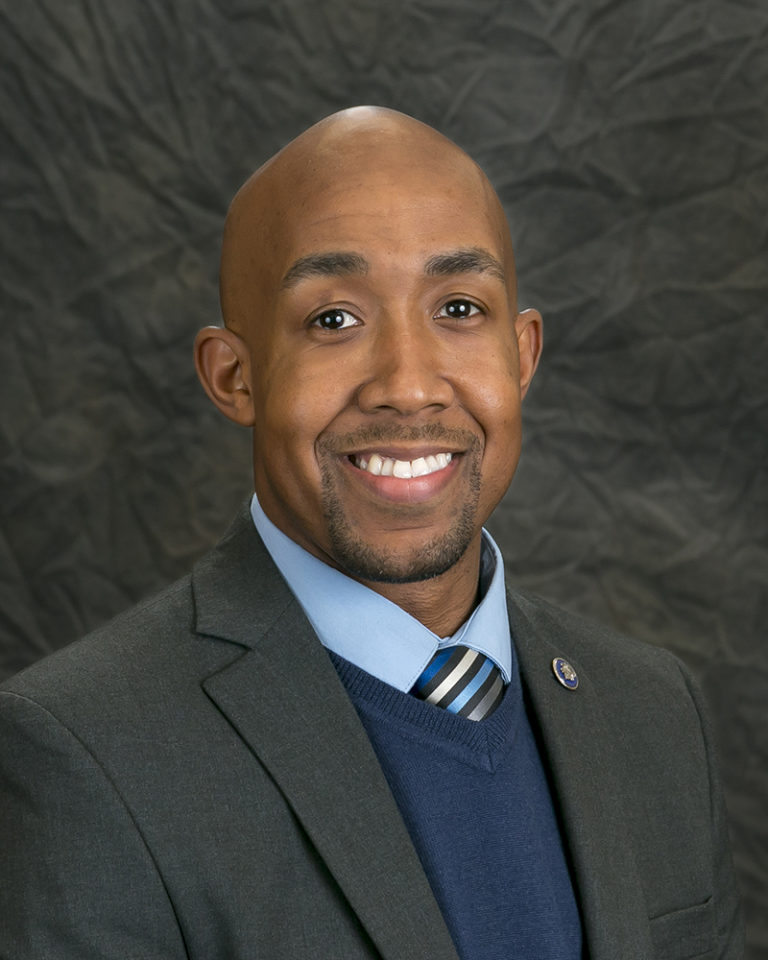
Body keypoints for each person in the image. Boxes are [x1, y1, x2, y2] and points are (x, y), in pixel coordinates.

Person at [0, 106, 743, 960]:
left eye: (459, 307)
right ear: (233, 376)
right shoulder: (84, 754)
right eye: (334, 320)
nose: (408, 385)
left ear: (523, 354)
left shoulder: (655, 712)